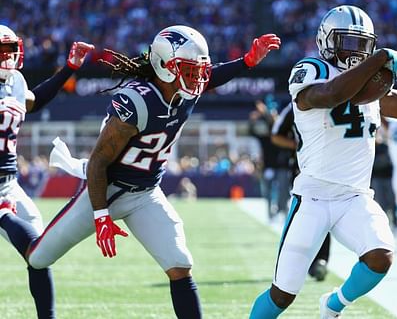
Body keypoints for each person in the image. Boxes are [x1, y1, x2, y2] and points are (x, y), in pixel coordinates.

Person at [0, 25, 280, 319]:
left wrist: (248, 61)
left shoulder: (185, 89)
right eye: (190, 70)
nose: (198, 78)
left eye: (199, 70)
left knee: (179, 263)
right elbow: (98, 163)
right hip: (107, 190)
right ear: (165, 67)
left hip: (146, 194)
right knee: (38, 257)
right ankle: (6, 217)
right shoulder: (138, 101)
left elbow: (213, 76)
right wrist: (101, 215)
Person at [248, 4, 397, 319]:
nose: (355, 52)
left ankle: (333, 305)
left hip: (355, 196)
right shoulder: (311, 69)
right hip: (313, 197)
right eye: (347, 42)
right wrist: (377, 61)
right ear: (326, 40)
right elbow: (331, 94)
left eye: (363, 44)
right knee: (282, 296)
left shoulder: (369, 82)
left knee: (381, 257)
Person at [0, 24, 94, 319]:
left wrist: (68, 68)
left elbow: (35, 100)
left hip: (8, 183)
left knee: (40, 253)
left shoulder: (13, 80)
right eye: (2, 51)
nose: (9, 56)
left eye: (11, 49)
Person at [271, 102, 331, 282]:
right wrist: (299, 146)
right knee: (306, 216)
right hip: (302, 170)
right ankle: (305, 261)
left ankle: (320, 260)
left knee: (326, 215)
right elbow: (276, 136)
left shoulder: (335, 97)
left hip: (331, 168)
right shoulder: (293, 107)